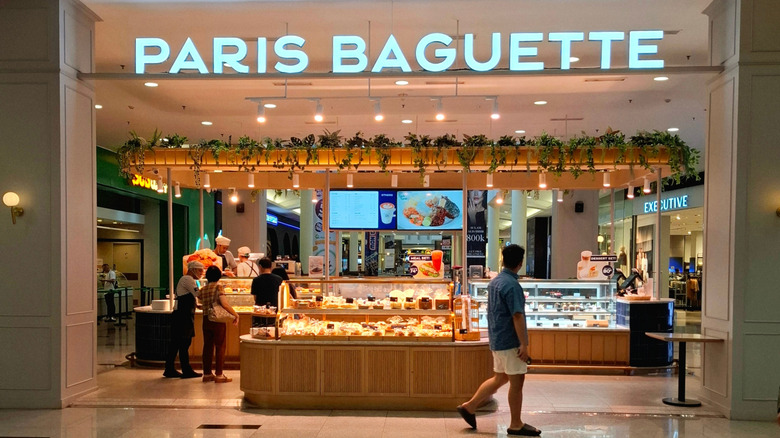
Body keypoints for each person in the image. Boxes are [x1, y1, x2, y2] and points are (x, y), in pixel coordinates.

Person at [457, 244, 540, 436]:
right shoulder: (512, 285)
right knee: (517, 381)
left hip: (497, 338)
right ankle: (516, 424)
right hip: (510, 341)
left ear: (503, 260)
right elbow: (517, 315)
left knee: (500, 377)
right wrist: (523, 344)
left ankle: (470, 406)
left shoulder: (495, 282)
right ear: (520, 263)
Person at [164, 261, 204, 379]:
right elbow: (198, 294)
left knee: (177, 343)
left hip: (181, 316)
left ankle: (170, 368)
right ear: (192, 270)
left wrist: (197, 305)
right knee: (183, 343)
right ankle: (185, 370)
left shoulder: (186, 279)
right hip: (183, 317)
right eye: (200, 270)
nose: (201, 273)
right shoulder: (187, 279)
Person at [199, 266, 239, 383]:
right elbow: (224, 304)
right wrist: (235, 314)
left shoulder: (203, 289)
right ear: (219, 276)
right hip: (217, 319)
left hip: (206, 319)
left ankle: (207, 374)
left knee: (207, 346)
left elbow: (199, 303)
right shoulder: (218, 287)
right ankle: (219, 374)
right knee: (220, 346)